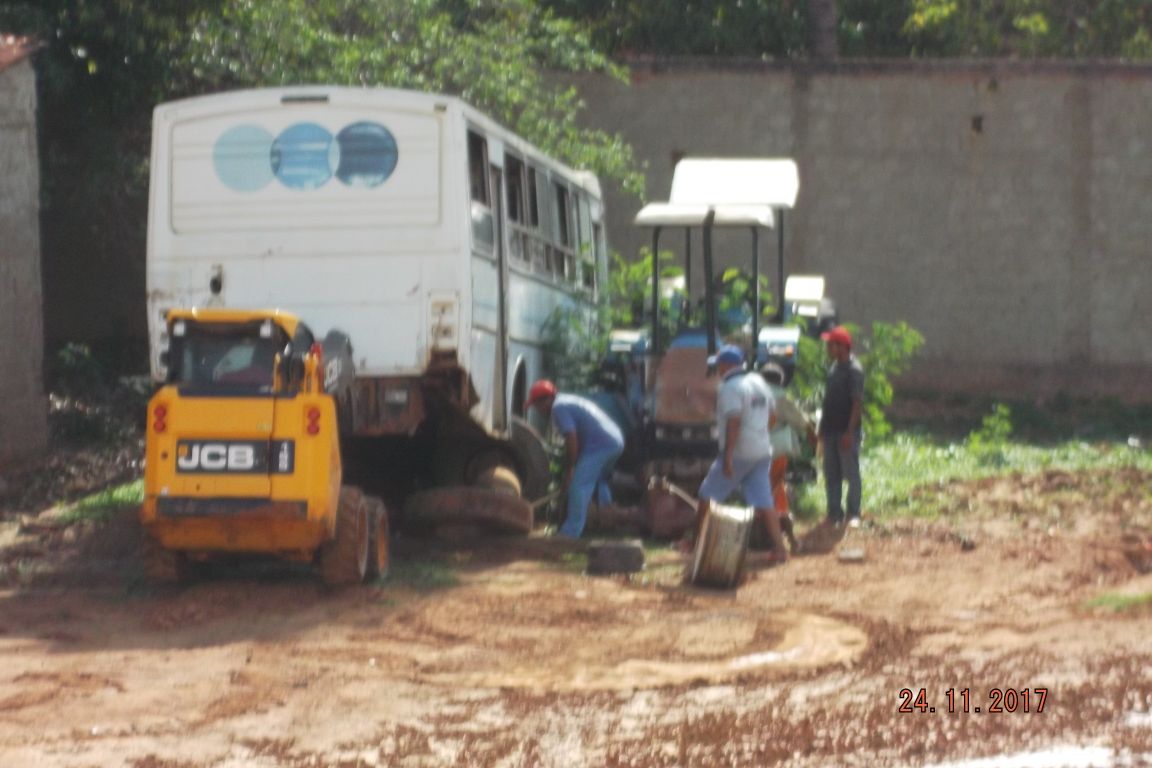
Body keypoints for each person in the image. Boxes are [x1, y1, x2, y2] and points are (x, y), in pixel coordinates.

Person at [691, 345, 789, 563]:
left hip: (739, 452)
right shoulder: (758, 382)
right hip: (762, 450)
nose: (717, 370)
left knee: (707, 495)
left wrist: (727, 457)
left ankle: (694, 544)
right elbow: (772, 417)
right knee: (765, 501)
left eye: (718, 366)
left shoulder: (730, 387)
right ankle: (780, 549)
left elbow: (733, 423)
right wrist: (758, 433)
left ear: (726, 365)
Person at [525, 379, 625, 539]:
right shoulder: (565, 400)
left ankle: (569, 534)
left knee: (579, 487)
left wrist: (570, 468)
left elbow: (571, 438)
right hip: (615, 441)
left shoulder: (558, 408)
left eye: (537, 406)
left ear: (546, 400)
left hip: (600, 445)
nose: (538, 410)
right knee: (600, 480)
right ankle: (607, 518)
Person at [759, 362, 814, 553]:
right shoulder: (780, 398)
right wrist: (814, 439)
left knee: (764, 493)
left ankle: (766, 537)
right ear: (781, 381)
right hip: (775, 454)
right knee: (775, 493)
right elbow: (801, 422)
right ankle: (785, 539)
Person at [817, 325, 865, 527]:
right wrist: (821, 428)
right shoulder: (834, 369)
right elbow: (827, 401)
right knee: (831, 473)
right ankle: (834, 513)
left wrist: (849, 432)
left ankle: (853, 513)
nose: (828, 348)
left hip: (846, 431)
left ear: (842, 346)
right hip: (830, 430)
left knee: (851, 473)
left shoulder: (854, 370)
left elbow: (857, 403)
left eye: (831, 345)